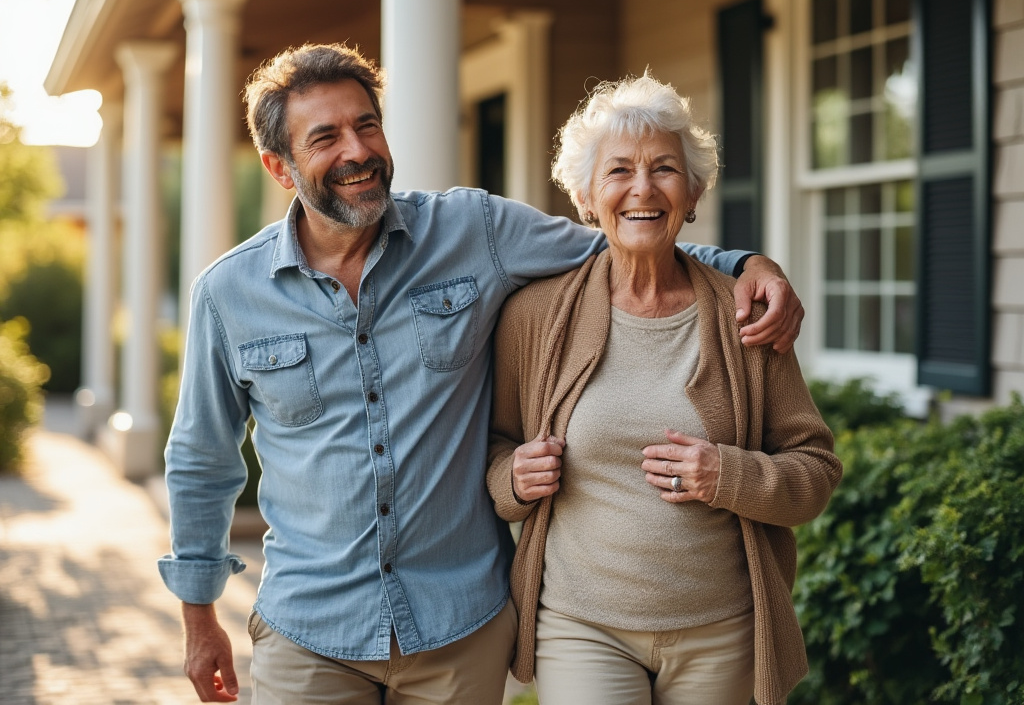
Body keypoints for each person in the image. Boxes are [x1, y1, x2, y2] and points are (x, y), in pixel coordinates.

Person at [158, 43, 805, 705]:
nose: (357, 150)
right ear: (279, 167)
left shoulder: (474, 230)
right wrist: (199, 617)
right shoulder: (229, 293)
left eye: (367, 125)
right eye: (326, 138)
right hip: (311, 629)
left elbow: (625, 240)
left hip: (458, 626)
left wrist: (745, 265)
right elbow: (201, 460)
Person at [486, 72, 842, 705]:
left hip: (722, 631)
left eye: (665, 169)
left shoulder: (746, 316)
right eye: (619, 171)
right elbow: (492, 444)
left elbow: (815, 469)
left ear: (693, 192)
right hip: (580, 625)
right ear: (586, 198)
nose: (643, 189)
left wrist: (729, 475)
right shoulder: (534, 317)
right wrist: (511, 478)